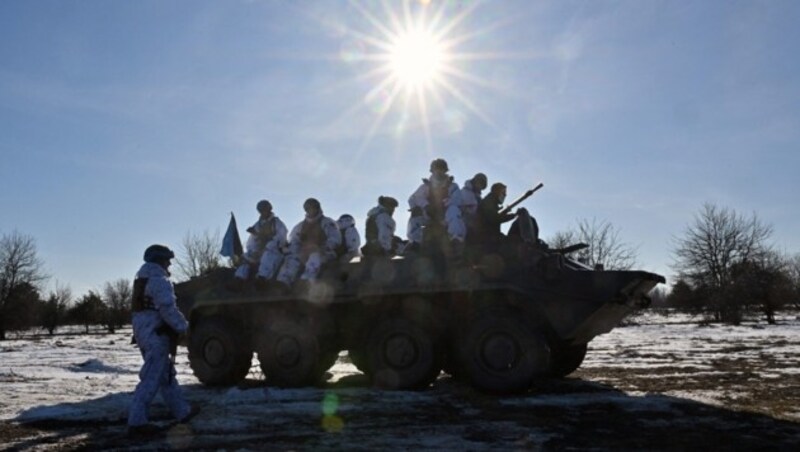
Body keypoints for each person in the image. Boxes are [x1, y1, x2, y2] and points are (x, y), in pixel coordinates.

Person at [128, 244, 198, 435]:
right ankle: (137, 421)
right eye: (167, 260)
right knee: (151, 377)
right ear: (159, 260)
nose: (169, 264)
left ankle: (182, 411)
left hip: (146, 332)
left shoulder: (142, 278)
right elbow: (167, 309)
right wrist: (184, 328)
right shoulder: (158, 280)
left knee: (166, 376)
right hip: (156, 334)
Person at [275, 198, 341, 289]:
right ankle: (283, 282)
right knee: (292, 259)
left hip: (324, 252)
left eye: (313, 207)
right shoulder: (300, 226)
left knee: (314, 258)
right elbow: (294, 241)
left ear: (318, 208)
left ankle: (307, 281)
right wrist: (294, 250)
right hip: (303, 253)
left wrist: (323, 247)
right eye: (309, 208)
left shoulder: (327, 222)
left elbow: (335, 238)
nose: (311, 210)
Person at [407, 158, 466, 253]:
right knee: (415, 212)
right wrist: (426, 206)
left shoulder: (452, 186)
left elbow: (457, 200)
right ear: (432, 171)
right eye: (436, 169)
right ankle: (415, 242)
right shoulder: (426, 186)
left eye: (441, 169)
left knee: (454, 210)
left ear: (445, 170)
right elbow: (414, 199)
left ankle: (456, 239)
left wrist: (444, 205)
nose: (439, 171)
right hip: (429, 216)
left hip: (445, 216)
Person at [233, 200, 288, 284]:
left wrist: (268, 246)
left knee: (267, 256)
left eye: (265, 209)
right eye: (261, 210)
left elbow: (281, 236)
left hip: (275, 250)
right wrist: (254, 251)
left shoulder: (276, 222)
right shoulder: (258, 225)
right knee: (246, 257)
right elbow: (252, 242)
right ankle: (239, 279)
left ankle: (262, 278)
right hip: (259, 251)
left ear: (269, 209)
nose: (263, 212)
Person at [474, 182, 518, 250]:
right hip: (485, 238)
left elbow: (494, 216)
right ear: (496, 191)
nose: (505, 195)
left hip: (490, 236)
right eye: (503, 192)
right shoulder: (488, 201)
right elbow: (493, 218)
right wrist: (512, 215)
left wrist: (505, 212)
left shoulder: (492, 202)